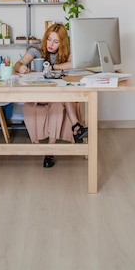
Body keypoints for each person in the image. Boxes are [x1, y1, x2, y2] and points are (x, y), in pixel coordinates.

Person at [14, 23, 88, 168]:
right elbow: (18, 63)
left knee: (58, 105)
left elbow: (76, 64)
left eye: (55, 41)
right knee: (61, 98)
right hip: (39, 95)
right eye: (49, 39)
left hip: (56, 97)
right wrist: (20, 67)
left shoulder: (65, 53)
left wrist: (54, 67)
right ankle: (76, 126)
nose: (50, 44)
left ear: (62, 43)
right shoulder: (36, 50)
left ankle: (50, 150)